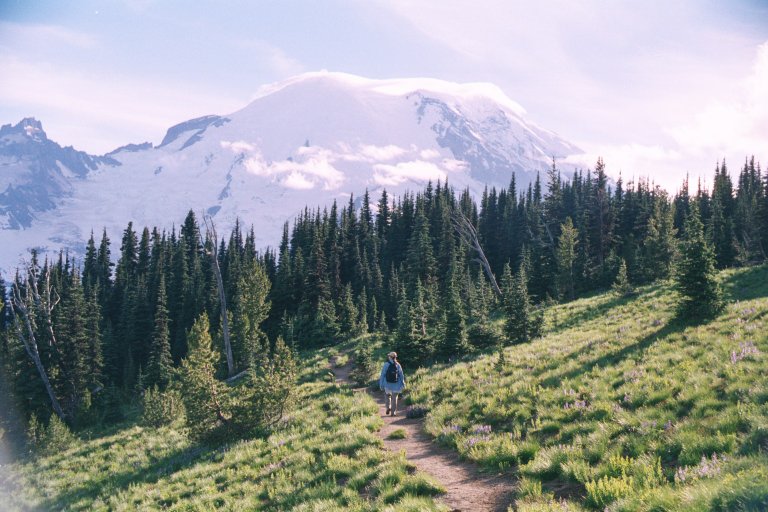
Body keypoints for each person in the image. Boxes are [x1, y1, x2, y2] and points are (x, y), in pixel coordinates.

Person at [379, 351, 405, 416]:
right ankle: (393, 413)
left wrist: (381, 384)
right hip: (396, 384)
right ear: (395, 357)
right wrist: (403, 383)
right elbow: (401, 375)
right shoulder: (398, 365)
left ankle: (388, 407)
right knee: (395, 398)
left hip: (387, 384)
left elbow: (382, 375)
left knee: (387, 396)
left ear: (390, 357)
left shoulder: (386, 364)